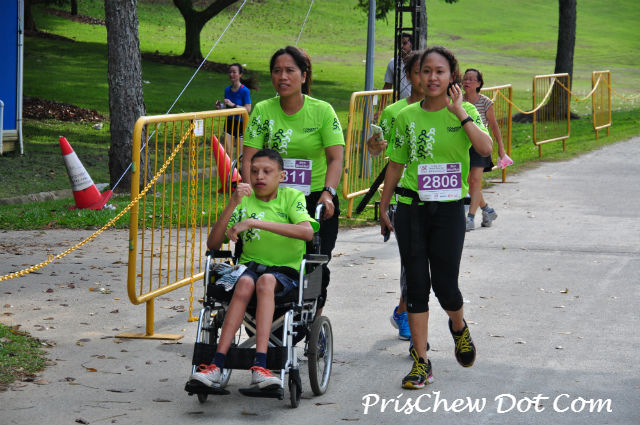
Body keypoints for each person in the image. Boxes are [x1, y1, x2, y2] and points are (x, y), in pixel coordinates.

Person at [379, 46, 492, 389]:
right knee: (415, 285)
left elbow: (485, 149)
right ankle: (421, 362)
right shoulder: (406, 116)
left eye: (439, 71)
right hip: (411, 207)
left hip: (449, 209)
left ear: (451, 76)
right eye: (425, 71)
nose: (432, 77)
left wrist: (460, 113)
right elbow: (396, 164)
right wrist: (383, 205)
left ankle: (458, 326)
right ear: (417, 76)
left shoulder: (465, 110)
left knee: (445, 286)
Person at [188, 149, 319, 390]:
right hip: (250, 268)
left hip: (284, 272)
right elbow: (213, 244)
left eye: (267, 171)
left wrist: (254, 223)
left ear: (281, 176)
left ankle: (260, 366)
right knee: (245, 282)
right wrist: (233, 203)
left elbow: (306, 232)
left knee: (266, 281)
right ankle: (216, 364)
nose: (259, 176)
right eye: (254, 171)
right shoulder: (244, 201)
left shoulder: (291, 197)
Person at [242, 46, 345, 314]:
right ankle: (268, 315)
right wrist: (248, 193)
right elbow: (248, 159)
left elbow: (335, 158)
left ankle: (312, 318)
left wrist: (328, 193)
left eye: (290, 70)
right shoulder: (263, 111)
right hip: (271, 199)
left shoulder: (322, 111)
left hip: (313, 199)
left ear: (304, 75)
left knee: (314, 263)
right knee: (263, 261)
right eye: (277, 71)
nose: (283, 77)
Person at [367, 50, 424, 342]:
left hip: (441, 201)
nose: (426, 78)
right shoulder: (395, 112)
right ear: (408, 76)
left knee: (428, 265)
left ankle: (404, 309)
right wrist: (374, 145)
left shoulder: (451, 110)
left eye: (432, 71)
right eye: (419, 72)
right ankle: (408, 314)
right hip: (405, 198)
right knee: (412, 262)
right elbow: (380, 152)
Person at [462, 68, 506, 231]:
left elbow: (494, 126)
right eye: (465, 79)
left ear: (479, 83)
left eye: (471, 79)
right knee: (469, 182)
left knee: (474, 180)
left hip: (480, 146)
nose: (467, 82)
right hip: (463, 145)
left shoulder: (486, 102)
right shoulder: (457, 100)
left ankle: (470, 218)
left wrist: (501, 148)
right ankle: (487, 210)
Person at [216, 63, 252, 157]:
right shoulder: (227, 90)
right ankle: (229, 167)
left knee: (240, 155)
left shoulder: (244, 90)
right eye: (230, 72)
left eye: (234, 72)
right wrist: (221, 107)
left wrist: (234, 105)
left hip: (241, 123)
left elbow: (248, 109)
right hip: (229, 122)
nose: (231, 74)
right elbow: (228, 106)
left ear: (240, 74)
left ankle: (239, 167)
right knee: (228, 152)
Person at [382, 33, 413, 99]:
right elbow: (387, 86)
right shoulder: (393, 62)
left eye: (404, 43)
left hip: (417, 102)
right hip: (400, 102)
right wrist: (382, 104)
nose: (401, 46)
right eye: (399, 43)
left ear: (411, 44)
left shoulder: (419, 62)